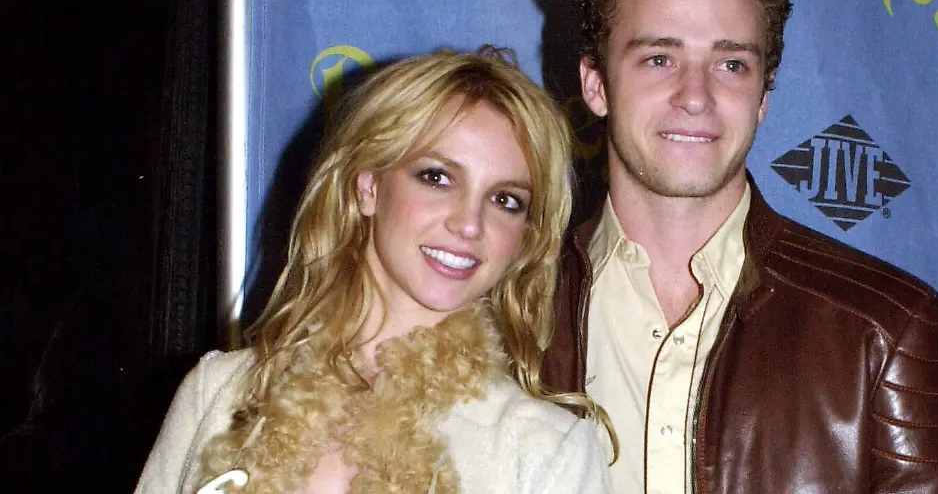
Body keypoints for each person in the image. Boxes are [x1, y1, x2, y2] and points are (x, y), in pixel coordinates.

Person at [540, 0, 938, 493]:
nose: (695, 97)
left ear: (763, 98)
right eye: (659, 59)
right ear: (596, 84)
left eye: (731, 64)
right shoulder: (512, 309)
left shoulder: (887, 330)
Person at [135, 47, 612, 494]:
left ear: (525, 235)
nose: (470, 224)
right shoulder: (217, 393)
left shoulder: (545, 451)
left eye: (505, 200)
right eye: (437, 177)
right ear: (368, 186)